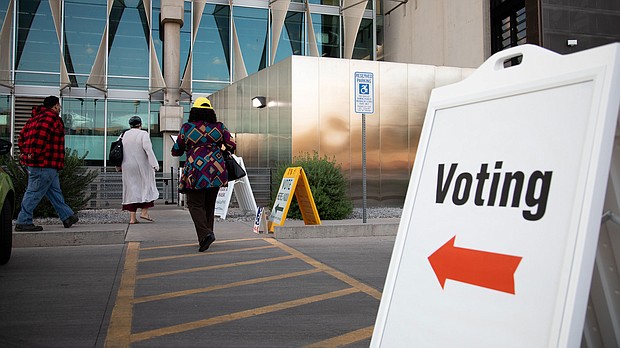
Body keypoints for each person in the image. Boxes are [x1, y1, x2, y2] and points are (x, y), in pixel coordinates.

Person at [172, 97, 236, 252]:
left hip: (196, 169)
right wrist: (218, 149)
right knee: (209, 204)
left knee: (194, 203)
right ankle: (206, 236)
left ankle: (206, 234)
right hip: (216, 169)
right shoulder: (219, 127)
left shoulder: (187, 128)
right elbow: (232, 144)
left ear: (193, 111)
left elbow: (176, 150)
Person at [15, 96, 79, 231]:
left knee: (54, 191)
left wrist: (25, 154)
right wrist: (34, 155)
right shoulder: (51, 118)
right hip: (44, 163)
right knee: (33, 192)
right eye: (59, 105)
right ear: (55, 106)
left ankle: (67, 216)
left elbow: (20, 138)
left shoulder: (33, 119)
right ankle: (23, 221)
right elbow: (40, 138)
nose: (60, 108)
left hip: (44, 165)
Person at [119, 116, 160, 224]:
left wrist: (118, 166)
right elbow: (148, 150)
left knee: (131, 189)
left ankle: (132, 218)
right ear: (140, 124)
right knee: (147, 186)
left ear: (130, 125)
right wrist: (154, 164)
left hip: (127, 166)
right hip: (142, 166)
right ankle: (144, 212)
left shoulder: (123, 135)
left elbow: (118, 150)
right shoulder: (143, 134)